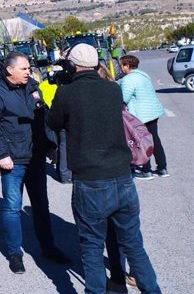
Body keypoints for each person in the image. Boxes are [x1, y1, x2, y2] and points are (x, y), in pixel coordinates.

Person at [47, 44, 161, 294]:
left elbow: (53, 121)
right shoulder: (113, 89)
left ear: (72, 65)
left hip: (90, 181)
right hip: (122, 178)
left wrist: (60, 89)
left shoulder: (67, 94)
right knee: (133, 244)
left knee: (91, 247)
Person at [0, 51, 69, 274]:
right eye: (24, 68)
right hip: (13, 160)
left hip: (36, 157)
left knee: (41, 205)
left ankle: (48, 247)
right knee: (12, 208)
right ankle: (15, 253)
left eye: (29, 68)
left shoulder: (33, 87)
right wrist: (1, 155)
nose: (29, 71)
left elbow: (44, 116)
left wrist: (50, 145)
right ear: (10, 70)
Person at [119, 55, 168, 179]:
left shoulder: (128, 80)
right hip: (153, 112)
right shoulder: (144, 75)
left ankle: (147, 171)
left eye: (122, 65)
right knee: (155, 139)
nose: (121, 68)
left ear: (127, 66)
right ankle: (162, 168)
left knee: (141, 142)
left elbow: (124, 98)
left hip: (140, 115)